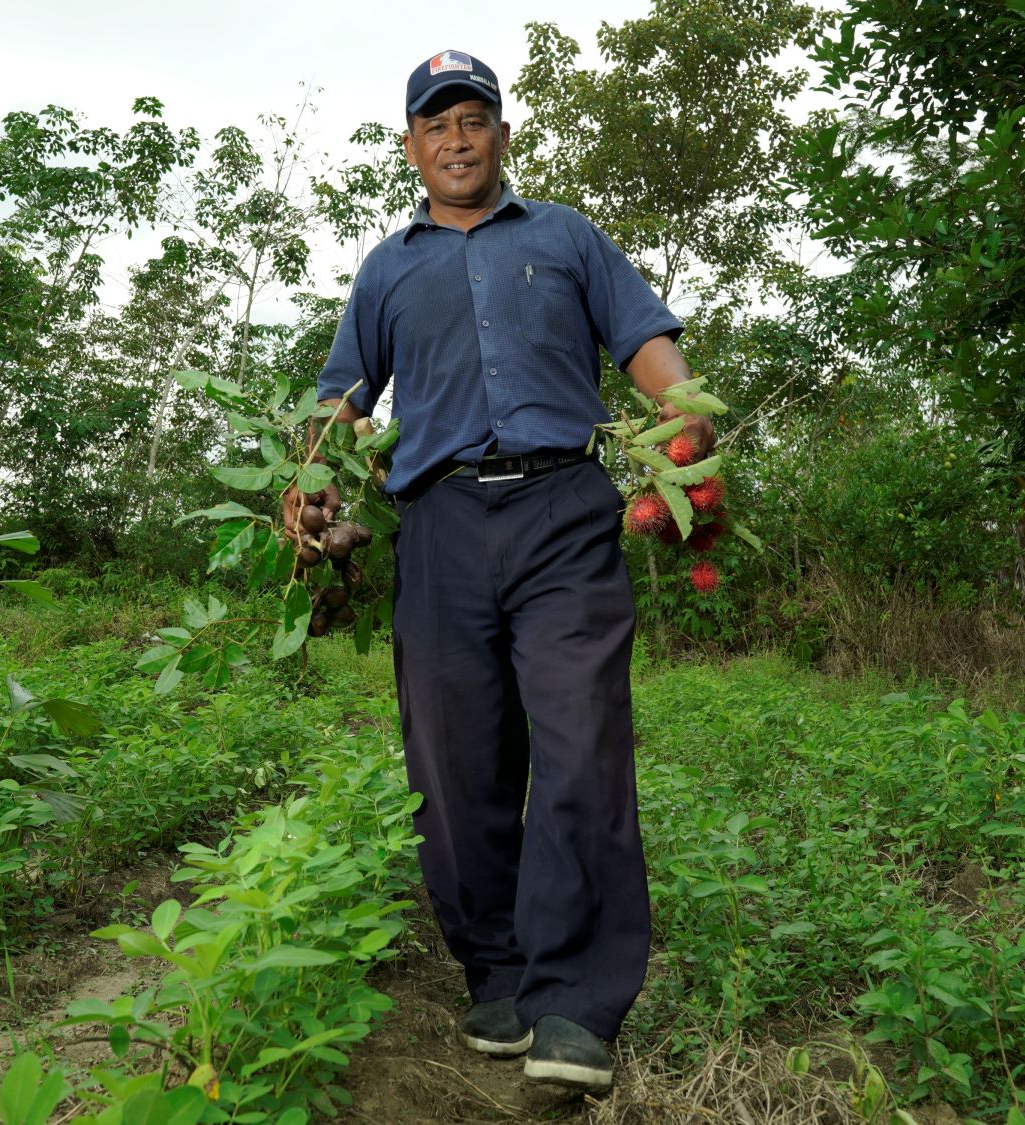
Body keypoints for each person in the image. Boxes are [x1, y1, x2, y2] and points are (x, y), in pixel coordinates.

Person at [285, 49, 713, 1092]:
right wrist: (305, 490)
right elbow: (343, 404)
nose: (457, 138)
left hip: (562, 511)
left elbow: (654, 352)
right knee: (453, 758)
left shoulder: (566, 237)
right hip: (436, 525)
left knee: (581, 741)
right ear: (412, 147)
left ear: (503, 136)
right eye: (437, 123)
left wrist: (690, 432)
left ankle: (576, 1001)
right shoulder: (388, 268)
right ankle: (498, 967)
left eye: (475, 118)